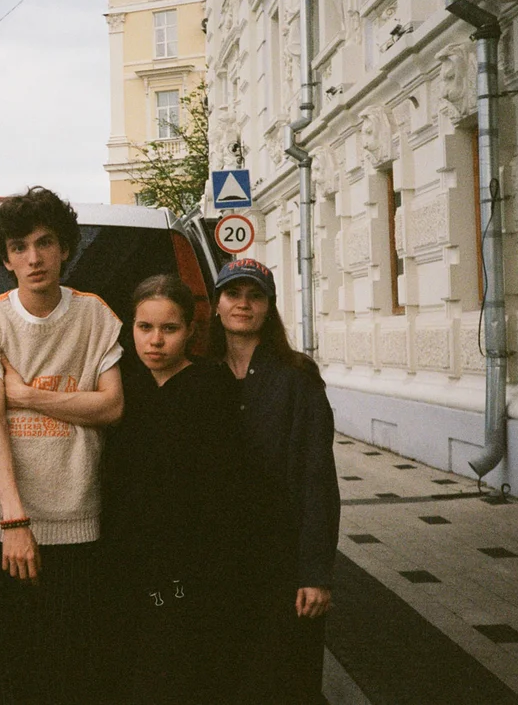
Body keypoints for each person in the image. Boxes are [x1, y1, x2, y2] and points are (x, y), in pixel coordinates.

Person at [0, 186, 124, 703]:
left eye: (45, 242)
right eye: (19, 247)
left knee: (68, 668)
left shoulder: (95, 316)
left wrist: (26, 395)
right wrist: (14, 523)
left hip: (73, 516)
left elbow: (111, 407)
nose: (34, 257)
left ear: (64, 248)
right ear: (6, 259)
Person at [99, 275, 247, 703]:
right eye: (145, 327)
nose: (156, 340)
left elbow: (226, 483)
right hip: (126, 556)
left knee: (181, 671)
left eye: (169, 328)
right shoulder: (122, 387)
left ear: (190, 330)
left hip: (191, 560)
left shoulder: (213, 385)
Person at [212, 259, 340, 703]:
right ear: (216, 304)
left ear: (269, 307)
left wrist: (316, 573)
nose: (243, 304)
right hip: (221, 562)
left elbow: (317, 480)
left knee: (286, 682)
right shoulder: (202, 374)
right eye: (233, 294)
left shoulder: (297, 377)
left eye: (255, 296)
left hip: (281, 562)